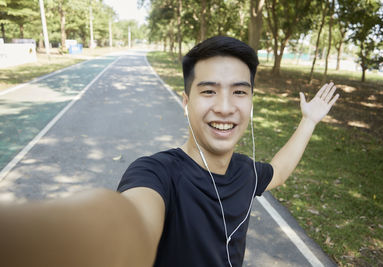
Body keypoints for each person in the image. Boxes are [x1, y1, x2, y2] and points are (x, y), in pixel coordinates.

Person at [0, 36, 339, 267]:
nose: (225, 107)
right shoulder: (155, 174)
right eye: (208, 91)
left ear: (250, 102)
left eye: (239, 92)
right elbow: (126, 224)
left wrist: (308, 121)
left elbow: (278, 171)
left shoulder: (246, 172)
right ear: (186, 102)